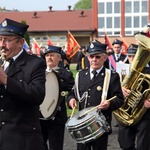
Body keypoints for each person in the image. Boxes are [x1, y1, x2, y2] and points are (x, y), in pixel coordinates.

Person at [67, 40, 124, 150]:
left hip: (100, 124)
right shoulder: (81, 74)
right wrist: (71, 99)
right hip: (82, 124)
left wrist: (109, 103)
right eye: (91, 56)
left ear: (104, 57)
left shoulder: (111, 76)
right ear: (87, 57)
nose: (94, 60)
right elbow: (72, 93)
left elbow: (119, 99)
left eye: (97, 57)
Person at [0, 18, 46, 150]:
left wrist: (6, 80)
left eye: (7, 40)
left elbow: (38, 95)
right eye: (0, 39)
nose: (2, 45)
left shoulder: (35, 64)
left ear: (21, 42)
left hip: (23, 140)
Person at [40, 45, 74, 150]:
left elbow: (71, 91)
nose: (49, 58)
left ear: (59, 58)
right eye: (47, 55)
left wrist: (71, 99)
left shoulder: (66, 74)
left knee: (56, 146)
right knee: (39, 145)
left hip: (57, 116)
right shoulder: (38, 73)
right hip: (39, 115)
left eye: (52, 55)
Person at [118, 43, 150, 150]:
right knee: (125, 144)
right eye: (130, 56)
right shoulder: (120, 71)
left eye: (134, 55)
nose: (132, 58)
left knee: (143, 145)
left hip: (144, 112)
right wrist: (119, 89)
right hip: (125, 113)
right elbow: (110, 89)